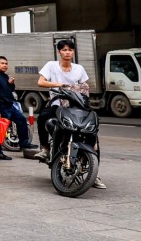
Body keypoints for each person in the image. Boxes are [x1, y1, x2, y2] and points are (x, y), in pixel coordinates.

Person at [35, 39, 106, 189]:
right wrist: (60, 85)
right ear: (59, 52)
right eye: (64, 50)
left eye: (70, 50)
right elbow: (41, 82)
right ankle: (46, 149)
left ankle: (95, 172)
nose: (67, 52)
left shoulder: (79, 68)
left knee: (92, 134)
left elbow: (85, 87)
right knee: (42, 118)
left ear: (73, 52)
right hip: (57, 105)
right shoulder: (51, 66)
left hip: (76, 107)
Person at [0, 56, 37, 160]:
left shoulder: (4, 76)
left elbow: (9, 90)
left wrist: (11, 84)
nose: (5, 65)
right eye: (2, 63)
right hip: (1, 107)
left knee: (22, 120)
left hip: (10, 105)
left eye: (6, 63)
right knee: (0, 129)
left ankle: (24, 143)